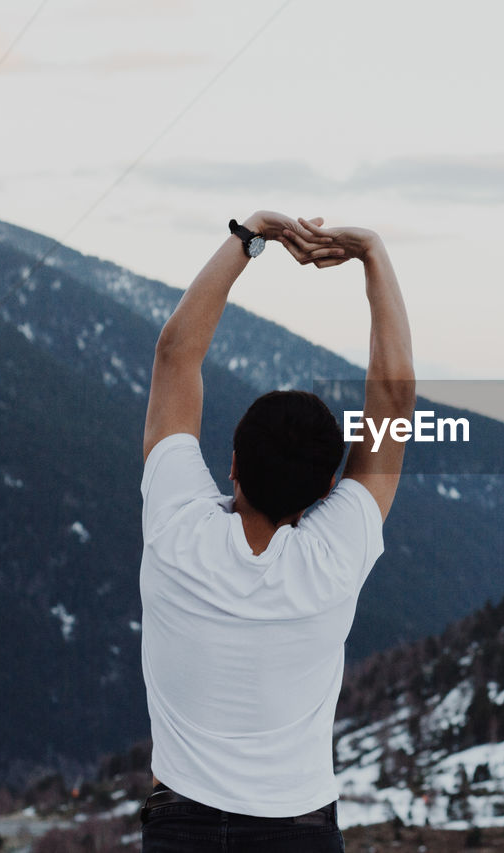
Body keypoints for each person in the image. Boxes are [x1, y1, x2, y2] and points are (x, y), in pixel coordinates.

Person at [137, 211, 414, 851]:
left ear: (230, 465)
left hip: (181, 831)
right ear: (325, 491)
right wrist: (372, 255)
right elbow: (394, 402)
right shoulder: (334, 555)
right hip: (299, 834)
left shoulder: (176, 530)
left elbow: (176, 355)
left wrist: (250, 237)